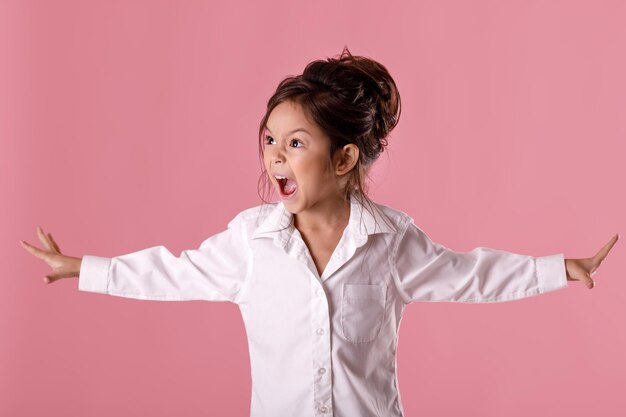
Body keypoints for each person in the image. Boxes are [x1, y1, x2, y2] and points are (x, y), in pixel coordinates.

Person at [20, 47, 618, 417]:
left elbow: (469, 274)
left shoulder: (391, 243)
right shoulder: (251, 242)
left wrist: (555, 269)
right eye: (271, 141)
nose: (276, 156)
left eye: (296, 143)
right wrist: (84, 268)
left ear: (343, 159)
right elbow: (173, 272)